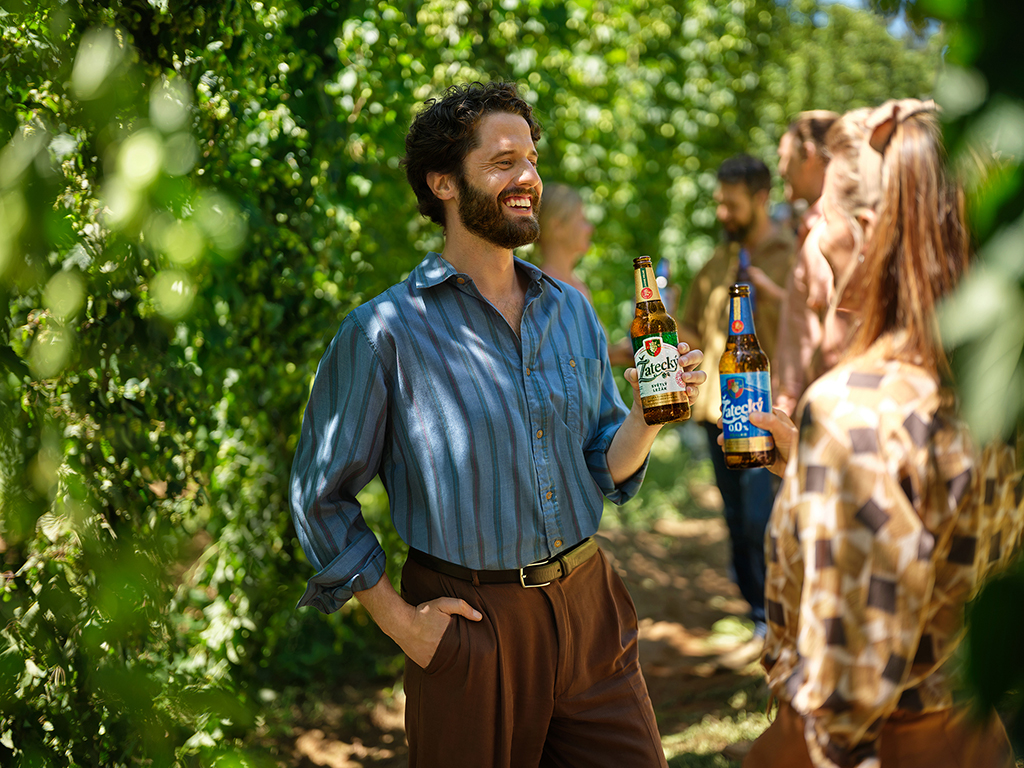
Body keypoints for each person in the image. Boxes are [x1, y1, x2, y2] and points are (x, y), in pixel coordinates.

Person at [289, 81, 708, 768]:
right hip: (469, 629)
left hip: (590, 610)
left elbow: (602, 462)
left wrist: (648, 417)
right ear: (443, 183)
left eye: (533, 160)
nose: (528, 179)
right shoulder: (384, 332)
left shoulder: (569, 311)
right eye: (503, 162)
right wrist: (405, 626)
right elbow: (318, 495)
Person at [742, 100, 1023, 768]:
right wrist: (816, 477)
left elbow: (848, 704)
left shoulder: (856, 411)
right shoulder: (989, 384)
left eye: (816, 214)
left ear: (868, 230)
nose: (804, 226)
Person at [678, 154, 794, 653]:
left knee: (761, 520)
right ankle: (758, 617)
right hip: (715, 413)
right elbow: (688, 323)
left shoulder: (791, 256)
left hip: (766, 414)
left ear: (762, 198)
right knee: (735, 521)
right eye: (719, 203)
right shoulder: (719, 262)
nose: (722, 213)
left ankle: (784, 618)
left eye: (732, 203)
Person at [773, 110, 843, 417]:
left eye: (783, 155)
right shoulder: (815, 229)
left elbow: (834, 339)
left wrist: (791, 409)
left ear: (808, 153)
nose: (779, 168)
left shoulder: (830, 234)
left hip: (819, 419)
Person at [535, 182, 634, 366]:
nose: (590, 229)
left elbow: (586, 359)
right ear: (558, 227)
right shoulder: (546, 289)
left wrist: (625, 351)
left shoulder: (577, 285)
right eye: (582, 220)